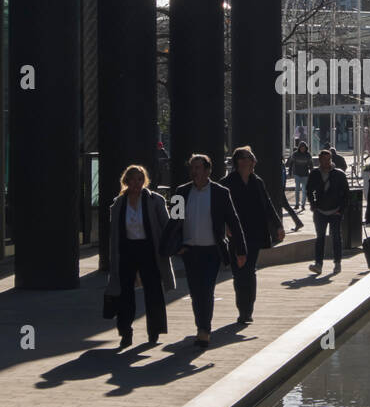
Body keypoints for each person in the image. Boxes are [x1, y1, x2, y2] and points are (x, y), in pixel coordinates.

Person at [168, 154, 247, 348]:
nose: (194, 171)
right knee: (196, 291)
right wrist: (173, 246)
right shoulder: (182, 192)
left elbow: (233, 221)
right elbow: (173, 222)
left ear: (207, 170)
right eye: (192, 168)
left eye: (198, 167)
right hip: (190, 251)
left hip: (212, 251)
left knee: (207, 289)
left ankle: (205, 329)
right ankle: (200, 327)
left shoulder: (220, 192)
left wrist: (241, 250)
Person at [106, 165, 175, 350]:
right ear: (126, 181)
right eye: (132, 179)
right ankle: (125, 332)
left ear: (144, 181)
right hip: (127, 250)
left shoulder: (155, 200)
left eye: (140, 179)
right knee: (124, 293)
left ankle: (155, 331)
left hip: (149, 249)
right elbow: (114, 234)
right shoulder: (119, 203)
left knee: (153, 290)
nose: (136, 183)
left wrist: (171, 247)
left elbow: (166, 226)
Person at [222, 147, 285, 325]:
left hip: (255, 233)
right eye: (247, 158)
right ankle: (243, 307)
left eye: (251, 158)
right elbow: (219, 208)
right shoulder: (227, 182)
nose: (251, 161)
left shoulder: (257, 182)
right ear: (239, 161)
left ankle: (246, 310)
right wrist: (225, 225)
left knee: (249, 270)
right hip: (235, 234)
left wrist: (278, 225)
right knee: (238, 272)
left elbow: (267, 204)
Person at [307, 148, 350, 276]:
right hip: (320, 211)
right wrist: (314, 204)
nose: (325, 162)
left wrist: (341, 210)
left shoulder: (339, 174)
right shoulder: (314, 174)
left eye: (328, 159)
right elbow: (311, 191)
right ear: (319, 160)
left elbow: (345, 194)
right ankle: (318, 264)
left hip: (335, 211)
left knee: (336, 237)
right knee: (320, 237)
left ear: (331, 160)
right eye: (323, 160)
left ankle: (337, 263)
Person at [287, 140, 313, 210]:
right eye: (301, 147)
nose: (302, 149)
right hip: (297, 174)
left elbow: (311, 165)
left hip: (305, 174)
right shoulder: (295, 154)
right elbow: (291, 163)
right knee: (297, 189)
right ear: (299, 148)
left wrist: (312, 173)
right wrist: (290, 172)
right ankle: (297, 204)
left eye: (304, 148)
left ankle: (303, 205)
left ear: (306, 148)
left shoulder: (308, 155)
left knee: (304, 190)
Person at [279, 159, 305, 230]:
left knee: (283, 207)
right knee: (287, 207)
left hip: (279, 189)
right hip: (281, 189)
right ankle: (298, 222)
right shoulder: (282, 164)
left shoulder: (279, 165)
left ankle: (297, 223)